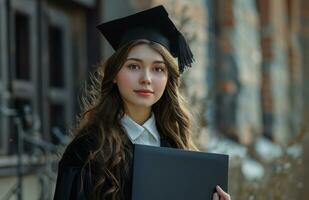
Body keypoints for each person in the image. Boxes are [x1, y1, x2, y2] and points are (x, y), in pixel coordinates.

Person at [53, 5, 231, 200]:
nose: (146, 78)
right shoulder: (86, 151)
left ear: (167, 79)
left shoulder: (177, 147)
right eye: (134, 66)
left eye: (158, 69)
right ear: (114, 74)